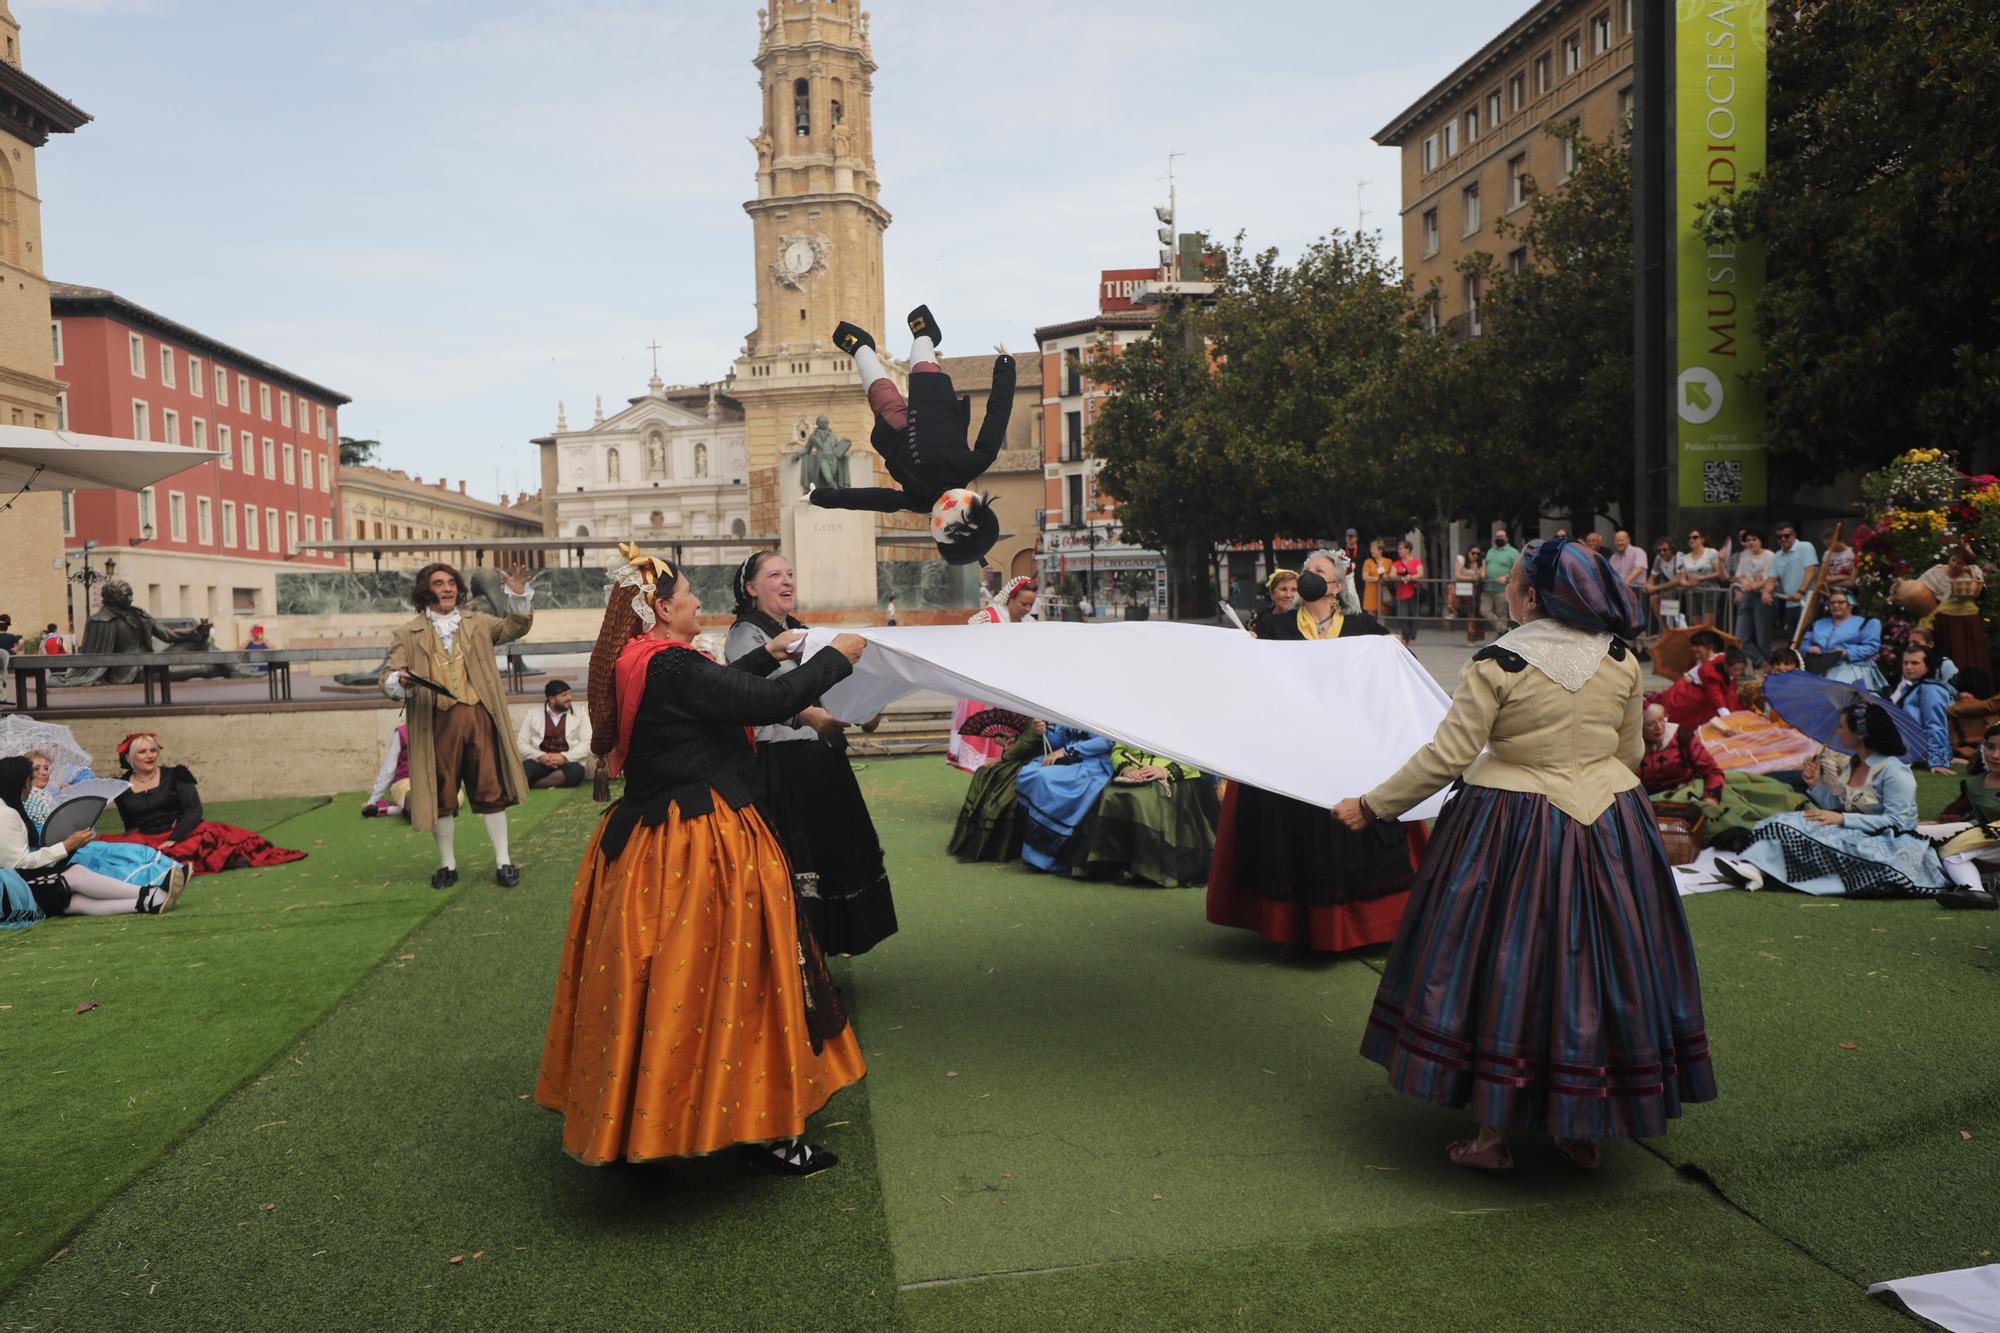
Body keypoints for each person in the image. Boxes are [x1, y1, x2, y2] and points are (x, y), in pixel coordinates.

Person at [1333, 536, 1714, 1171]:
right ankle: (1580, 1128)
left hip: (1508, 826)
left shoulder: (1498, 662)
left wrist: (1373, 804)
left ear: (1531, 595)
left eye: (1511, 584)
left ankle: (1491, 1139)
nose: (1504, 589)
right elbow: (1628, 759)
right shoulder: (1619, 658)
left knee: (1501, 967)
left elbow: (1447, 758)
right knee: (1598, 966)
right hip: (1610, 825)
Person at [536, 543, 867, 1174]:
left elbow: (730, 692)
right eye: (688, 594)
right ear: (661, 609)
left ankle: (646, 1113)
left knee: (665, 987)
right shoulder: (669, 666)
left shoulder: (644, 660)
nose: (698, 601)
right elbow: (762, 703)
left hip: (648, 842)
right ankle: (764, 1126)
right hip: (700, 841)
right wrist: (837, 657)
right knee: (747, 978)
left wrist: (769, 657)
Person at [1208, 553, 1423, 956]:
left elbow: (1399, 679)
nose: (1308, 577)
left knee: (1347, 835)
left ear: (1338, 586)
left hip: (1349, 752)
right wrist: (1247, 654)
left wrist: (1393, 650)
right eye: (1306, 570)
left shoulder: (1364, 631)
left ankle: (1362, 925)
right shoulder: (1272, 627)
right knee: (1289, 839)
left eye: (1319, 572)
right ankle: (1292, 927)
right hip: (1292, 754)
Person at [725, 550, 896, 956]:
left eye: (790, 574)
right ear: (751, 589)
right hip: (782, 768)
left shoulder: (803, 632)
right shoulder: (745, 636)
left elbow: (833, 685)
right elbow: (755, 700)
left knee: (832, 851)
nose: (787, 581)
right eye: (774, 575)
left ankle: (825, 949)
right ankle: (797, 961)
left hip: (821, 761)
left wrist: (865, 707)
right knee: (798, 862)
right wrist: (807, 717)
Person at [814, 307, 1011, 567]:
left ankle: (862, 348)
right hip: (936, 404)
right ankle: (927, 335)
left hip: (895, 432)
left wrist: (823, 498)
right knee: (920, 356)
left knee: (877, 388)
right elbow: (996, 416)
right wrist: (1006, 368)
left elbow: (875, 499)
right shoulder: (973, 463)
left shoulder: (921, 501)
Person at [383, 561, 536, 889]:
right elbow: (389, 677)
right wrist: (402, 680)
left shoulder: (478, 623)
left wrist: (519, 596)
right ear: (426, 590)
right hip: (436, 722)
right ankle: (448, 865)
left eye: (452, 582)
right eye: (439, 583)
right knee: (441, 796)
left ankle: (503, 861)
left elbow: (514, 628)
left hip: (479, 716)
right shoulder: (407, 633)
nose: (448, 588)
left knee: (491, 791)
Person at [1719, 702, 1947, 898]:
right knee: (1782, 820)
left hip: (1888, 846)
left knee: (1791, 827)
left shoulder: (1895, 772)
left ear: (1860, 734)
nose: (1837, 732)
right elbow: (1837, 805)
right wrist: (1816, 784)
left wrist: (1842, 819)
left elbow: (1899, 823)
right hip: (1853, 834)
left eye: (1841, 727)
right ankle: (1756, 868)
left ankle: (1759, 869)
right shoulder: (1854, 764)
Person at [0, 756, 189, 920]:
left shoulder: (10, 808)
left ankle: (150, 902)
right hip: (12, 890)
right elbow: (18, 863)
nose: (30, 786)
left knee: (74, 902)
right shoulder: (5, 814)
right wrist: (65, 846)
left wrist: (68, 846)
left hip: (17, 885)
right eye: (28, 780)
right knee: (74, 875)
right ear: (18, 783)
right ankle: (151, 892)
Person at [96, 733, 305, 875]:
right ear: (131, 758)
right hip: (146, 837)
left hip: (184, 832)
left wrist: (174, 839)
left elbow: (194, 811)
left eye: (153, 750)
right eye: (143, 752)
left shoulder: (177, 774)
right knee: (106, 851)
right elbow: (129, 824)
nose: (150, 756)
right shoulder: (121, 787)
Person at [1638, 705, 1804, 847]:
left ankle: (1744, 838)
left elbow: (1711, 771)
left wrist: (1711, 797)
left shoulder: (1680, 734)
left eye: (1662, 720)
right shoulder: (1629, 745)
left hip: (1691, 790)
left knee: (1743, 804)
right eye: (1651, 724)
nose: (1659, 727)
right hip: (1654, 800)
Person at [1060, 745, 1219, 888]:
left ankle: (1149, 868)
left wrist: (1165, 771)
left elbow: (1200, 752)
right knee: (1110, 794)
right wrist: (1128, 770)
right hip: (1136, 773)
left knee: (1143, 799)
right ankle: (1114, 864)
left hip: (1176, 778)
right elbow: (1118, 750)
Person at [950, 575, 1038, 772]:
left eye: (1030, 605)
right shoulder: (988, 618)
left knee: (1012, 748)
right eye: (1023, 603)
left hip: (1016, 690)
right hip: (986, 690)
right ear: (1010, 599)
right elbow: (969, 647)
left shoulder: (1030, 624)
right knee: (987, 748)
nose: (1026, 609)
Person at [1016, 725, 1115, 873]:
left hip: (1094, 763)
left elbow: (1108, 741)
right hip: (1068, 759)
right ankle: (1036, 854)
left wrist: (1067, 751)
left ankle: (1049, 858)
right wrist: (1044, 732)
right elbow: (1060, 741)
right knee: (1028, 773)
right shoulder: (1071, 707)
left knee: (1044, 779)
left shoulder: (1105, 709)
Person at [1925, 722, 2000, 908]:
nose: (1996, 755)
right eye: (1991, 747)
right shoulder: (1973, 784)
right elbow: (1979, 820)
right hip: (1994, 841)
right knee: (1952, 853)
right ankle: (1977, 894)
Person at [949, 720, 1046, 862]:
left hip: (1034, 760)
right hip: (1026, 756)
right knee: (986, 772)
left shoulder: (1039, 715)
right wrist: (1011, 739)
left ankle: (999, 839)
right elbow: (1027, 739)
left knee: (999, 778)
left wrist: (1002, 757)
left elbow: (1029, 743)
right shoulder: (1031, 714)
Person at [1885, 645, 1955, 775]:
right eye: (1905, 663)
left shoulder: (1930, 690)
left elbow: (1936, 726)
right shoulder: (1909, 686)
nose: (1908, 667)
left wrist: (1938, 761)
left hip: (1911, 749)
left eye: (1915, 663)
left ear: (1928, 666)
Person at [1654, 633, 1744, 729]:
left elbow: (1717, 691)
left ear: (1709, 646)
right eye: (1693, 645)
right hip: (1685, 698)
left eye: (1697, 646)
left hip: (1699, 700)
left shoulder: (1719, 660)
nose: (1693, 648)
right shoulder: (1698, 662)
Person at [515, 679, 593, 790]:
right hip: (540, 761)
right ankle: (546, 782)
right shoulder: (532, 714)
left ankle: (533, 785)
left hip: (568, 762)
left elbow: (587, 743)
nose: (569, 698)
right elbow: (521, 744)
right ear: (551, 699)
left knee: (576, 772)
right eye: (564, 695)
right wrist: (540, 756)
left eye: (570, 693)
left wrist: (564, 757)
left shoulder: (580, 712)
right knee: (523, 770)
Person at [1800, 590, 1885, 690]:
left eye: (1841, 602)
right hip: (1819, 666)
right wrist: (1809, 648)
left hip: (1851, 666)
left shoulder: (1866, 623)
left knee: (1841, 695)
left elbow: (1872, 647)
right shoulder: (1818, 624)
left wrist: (1847, 652)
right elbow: (1804, 644)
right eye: (1832, 603)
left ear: (1851, 605)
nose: (1835, 605)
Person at [1928, 545, 1989, 679]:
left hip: (1968, 621)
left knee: (1972, 655)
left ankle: (1974, 688)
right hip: (1945, 620)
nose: (1955, 564)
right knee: (1951, 654)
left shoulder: (1973, 571)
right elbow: (1925, 591)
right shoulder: (1937, 571)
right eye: (1953, 560)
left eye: (1960, 563)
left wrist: (1971, 574)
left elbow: (1982, 593)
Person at [1769, 523, 1819, 643]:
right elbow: (1771, 578)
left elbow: (1810, 571)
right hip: (1790, 602)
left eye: (1786, 536)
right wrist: (1766, 591)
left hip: (1807, 601)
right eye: (1779, 537)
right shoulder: (1777, 555)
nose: (1783, 539)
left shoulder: (1805, 546)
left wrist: (1800, 592)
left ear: (1794, 535)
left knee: (1808, 637)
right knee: (1793, 639)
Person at [1730, 529, 1776, 659]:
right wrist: (1743, 585)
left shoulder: (1770, 555)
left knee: (1763, 639)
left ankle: (1770, 668)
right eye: (1748, 540)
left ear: (1761, 541)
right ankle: (1761, 662)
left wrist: (1753, 585)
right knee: (1740, 638)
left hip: (1762, 597)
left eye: (1754, 539)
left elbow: (1770, 578)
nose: (1751, 543)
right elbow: (1739, 575)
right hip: (1747, 596)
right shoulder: (1745, 554)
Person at [1675, 528, 1725, 627]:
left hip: (1709, 591)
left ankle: (1709, 642)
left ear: (1702, 539)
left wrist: (1701, 578)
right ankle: (1699, 643)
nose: (1691, 540)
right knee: (1696, 626)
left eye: (1695, 537)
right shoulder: (1684, 557)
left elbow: (1719, 573)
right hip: (1692, 592)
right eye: (1689, 538)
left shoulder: (1711, 552)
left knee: (1707, 625)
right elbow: (1682, 579)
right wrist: (1688, 584)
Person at [362, 724, 413, 817]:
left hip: (430, 781)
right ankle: (404, 807)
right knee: (414, 804)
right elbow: (389, 768)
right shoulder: (403, 732)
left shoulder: (439, 730)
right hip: (405, 781)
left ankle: (388, 810)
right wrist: (373, 800)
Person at [1480, 531, 1518, 638]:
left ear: (1507, 538)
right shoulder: (1490, 551)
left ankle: (1502, 638)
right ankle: (1504, 630)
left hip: (1502, 588)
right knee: (1484, 610)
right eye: (1497, 536)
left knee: (1501, 613)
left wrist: (1506, 577)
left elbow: (1517, 569)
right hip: (1488, 587)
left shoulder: (1513, 552)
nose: (1499, 538)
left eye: (1501, 536)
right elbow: (1485, 565)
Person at [1387, 539, 1423, 643]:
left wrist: (1411, 577)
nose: (1399, 551)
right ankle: (1406, 636)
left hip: (1413, 592)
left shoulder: (1416, 561)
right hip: (1401, 592)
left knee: (1414, 615)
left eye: (1401, 548)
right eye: (1399, 549)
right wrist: (1400, 577)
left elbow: (1420, 573)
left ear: (1408, 549)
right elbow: (1391, 575)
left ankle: (1412, 637)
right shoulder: (1397, 563)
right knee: (1402, 616)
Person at [1645, 537, 1681, 630]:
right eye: (1659, 550)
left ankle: (1674, 630)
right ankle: (1665, 630)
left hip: (1684, 589)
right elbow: (1653, 577)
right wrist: (1648, 585)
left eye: (1665, 550)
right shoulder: (1658, 559)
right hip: (1673, 590)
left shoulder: (1678, 557)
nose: (1662, 553)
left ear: (1671, 549)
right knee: (1654, 599)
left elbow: (1678, 580)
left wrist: (1655, 588)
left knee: (1676, 614)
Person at [1454, 545, 1485, 642]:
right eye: (1473, 553)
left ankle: (1472, 637)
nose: (1475, 555)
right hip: (1463, 589)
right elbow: (1457, 575)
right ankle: (1452, 610)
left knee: (1473, 613)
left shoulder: (1481, 562)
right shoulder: (1462, 560)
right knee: (1451, 589)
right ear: (1468, 553)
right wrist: (1471, 578)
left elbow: (1483, 575)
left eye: (1478, 554)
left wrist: (1479, 573)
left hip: (1476, 590)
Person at [1256, 569, 1301, 636]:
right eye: (1283, 589)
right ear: (1272, 593)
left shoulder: (1305, 620)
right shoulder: (1259, 619)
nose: (1288, 595)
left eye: (1294, 590)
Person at [1609, 530, 1648, 603]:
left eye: (1621, 540)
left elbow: (1638, 569)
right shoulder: (1614, 557)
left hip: (1636, 589)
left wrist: (1624, 583)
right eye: (1617, 541)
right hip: (1619, 590)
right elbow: (1610, 573)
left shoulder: (1638, 552)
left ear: (1628, 540)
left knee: (1637, 614)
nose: (1619, 543)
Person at [1360, 538, 1392, 618]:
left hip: (1383, 592)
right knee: (1371, 616)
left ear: (1380, 550)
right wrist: (1377, 579)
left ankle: (1381, 630)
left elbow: (1390, 576)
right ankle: (1372, 631)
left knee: (1383, 615)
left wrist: (1386, 578)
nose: (1372, 551)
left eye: (1374, 549)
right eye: (1371, 549)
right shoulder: (1368, 562)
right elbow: (1365, 577)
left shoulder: (1388, 562)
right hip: (1371, 592)